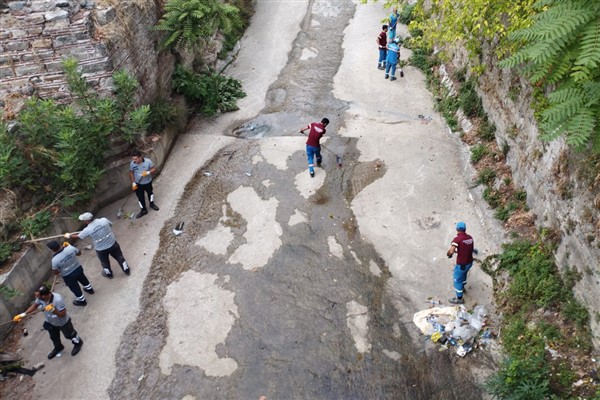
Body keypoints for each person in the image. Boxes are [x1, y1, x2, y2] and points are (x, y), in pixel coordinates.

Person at [13, 286, 83, 359]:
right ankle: (58, 347)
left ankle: (78, 343)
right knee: (54, 337)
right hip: (50, 321)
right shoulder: (41, 298)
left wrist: (53, 310)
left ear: (44, 295)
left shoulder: (57, 300)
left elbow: (63, 314)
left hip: (62, 322)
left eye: (37, 296)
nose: (36, 298)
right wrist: (23, 314)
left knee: (70, 335)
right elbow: (35, 306)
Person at [65, 212, 131, 278]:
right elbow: (110, 224)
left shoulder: (87, 230)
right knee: (119, 257)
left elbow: (78, 236)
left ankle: (109, 274)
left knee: (105, 262)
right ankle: (126, 270)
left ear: (86, 221)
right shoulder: (104, 220)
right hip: (112, 244)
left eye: (83, 220)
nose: (83, 221)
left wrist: (69, 235)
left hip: (101, 249)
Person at [47, 240, 94, 306]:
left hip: (68, 275)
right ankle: (90, 289)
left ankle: (82, 300)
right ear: (58, 244)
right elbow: (79, 253)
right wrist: (69, 247)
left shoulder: (54, 260)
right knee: (83, 279)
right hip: (78, 268)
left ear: (52, 250)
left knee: (75, 287)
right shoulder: (70, 248)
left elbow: (56, 272)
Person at [446, 221, 477, 304]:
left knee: (457, 280)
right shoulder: (470, 238)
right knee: (464, 275)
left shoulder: (457, 239)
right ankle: (463, 288)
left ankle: (459, 298)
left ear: (457, 229)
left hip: (461, 264)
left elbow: (451, 251)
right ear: (465, 229)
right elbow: (465, 249)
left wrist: (449, 254)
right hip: (469, 263)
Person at [129, 149, 159, 219]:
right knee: (140, 197)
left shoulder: (148, 161)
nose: (135, 161)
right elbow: (131, 173)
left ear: (140, 157)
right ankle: (143, 210)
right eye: (133, 159)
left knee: (150, 194)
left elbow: (154, 169)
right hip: (138, 184)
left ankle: (152, 204)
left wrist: (148, 172)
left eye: (136, 159)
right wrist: (133, 182)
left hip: (147, 182)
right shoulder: (132, 164)